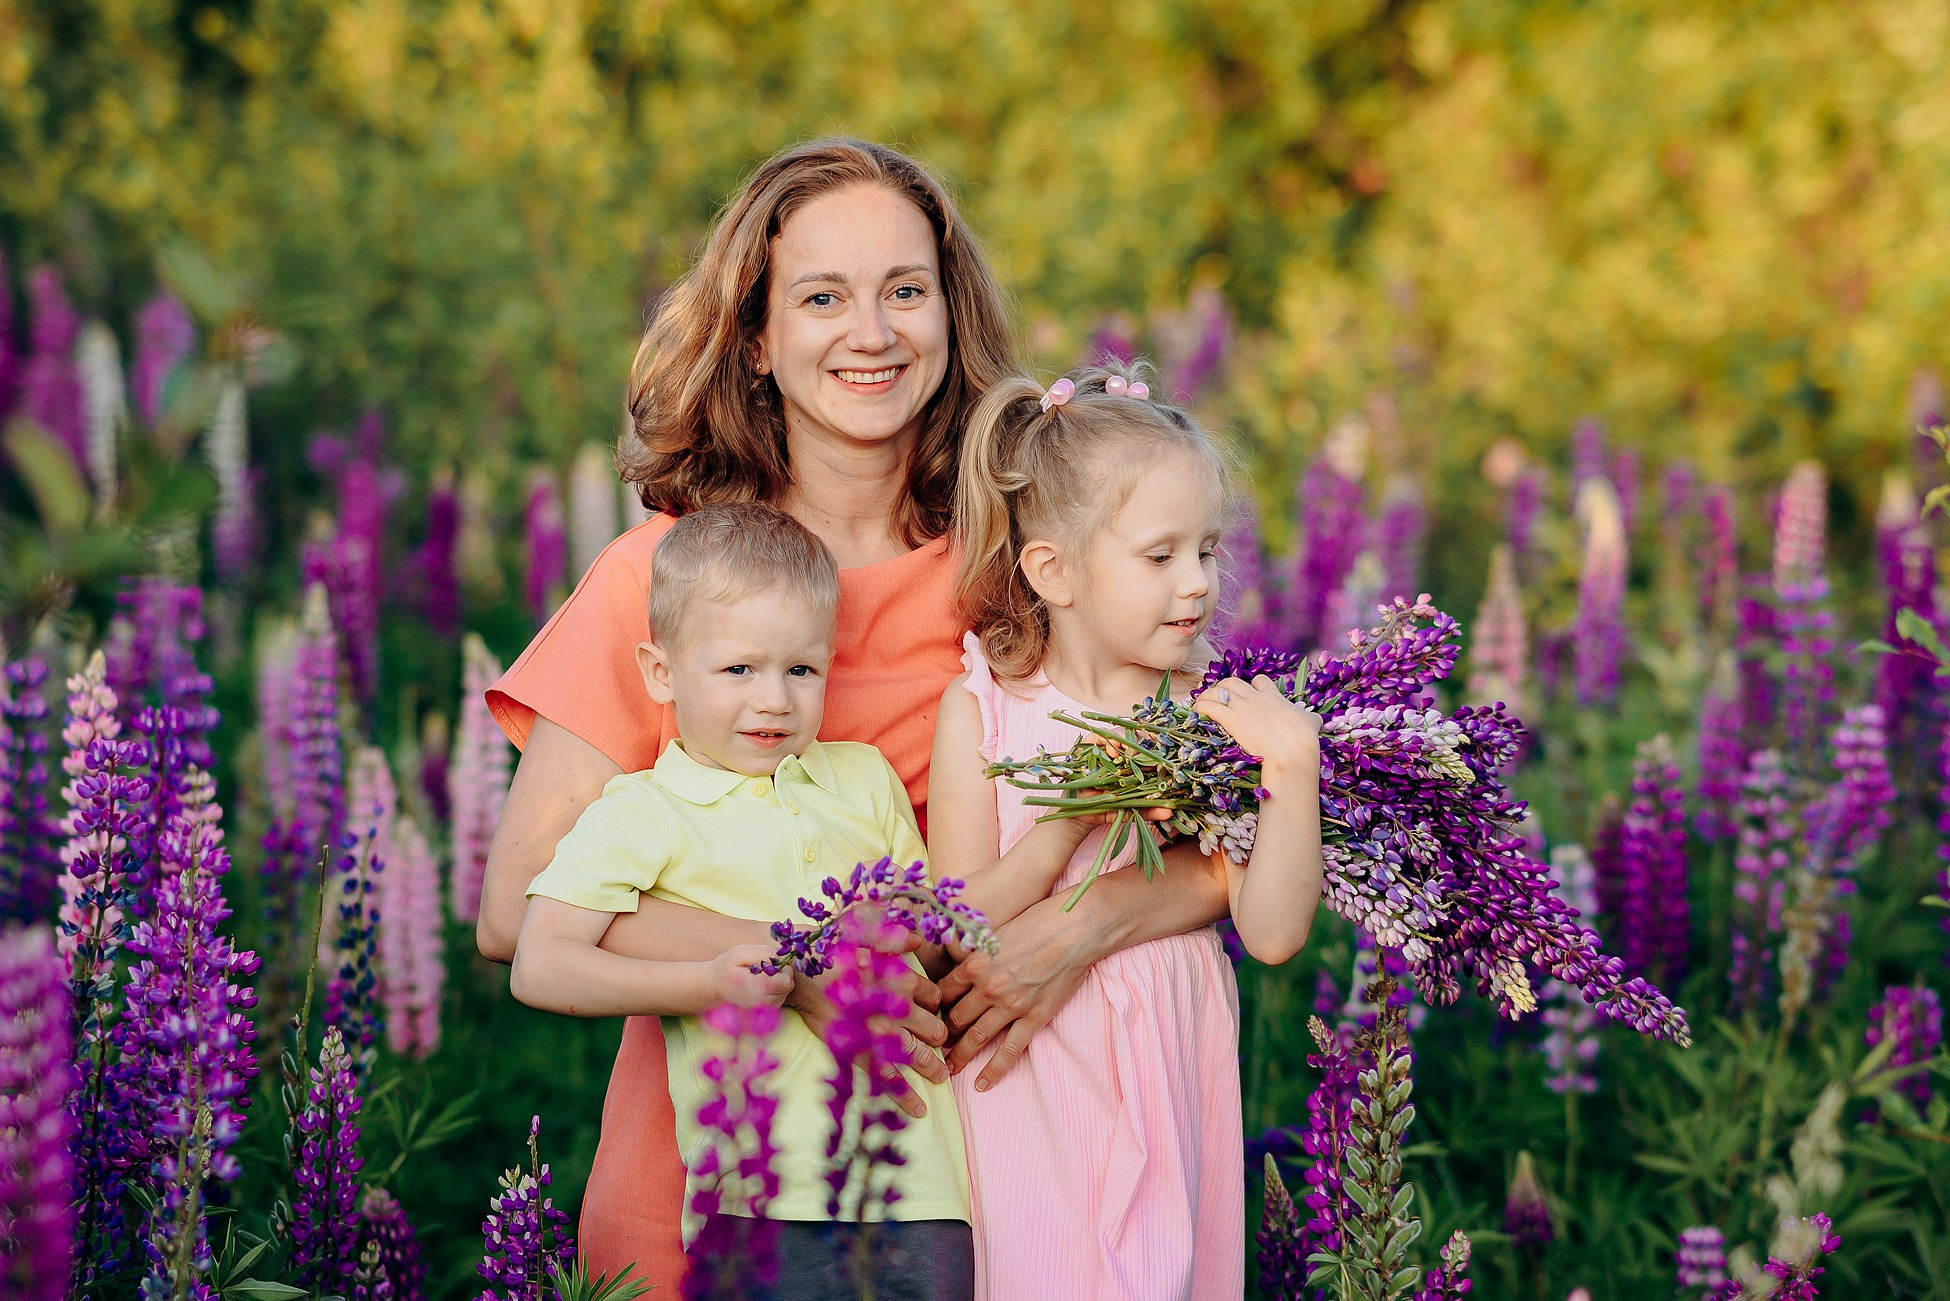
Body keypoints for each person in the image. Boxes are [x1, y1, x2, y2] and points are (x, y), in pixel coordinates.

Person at [477, 138, 1231, 1292]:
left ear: (950, 314)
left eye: (905, 292)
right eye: (822, 297)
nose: (871, 333)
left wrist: (1079, 929)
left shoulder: (1024, 570)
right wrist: (801, 963)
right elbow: (512, 907)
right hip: (712, 1181)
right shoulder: (667, 579)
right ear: (758, 338)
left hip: (982, 1183)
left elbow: (1226, 840)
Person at [928, 365, 1326, 1299]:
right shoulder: (984, 712)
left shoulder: (1217, 718)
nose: (1197, 585)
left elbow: (1271, 931)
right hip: (1025, 1082)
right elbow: (955, 922)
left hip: (1169, 1068)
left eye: (1208, 551)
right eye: (1160, 556)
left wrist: (1292, 771)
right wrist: (1065, 827)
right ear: (1053, 571)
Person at [511, 503, 974, 1297]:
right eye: (738, 670)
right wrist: (703, 982)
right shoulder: (642, 809)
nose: (774, 700)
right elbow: (539, 961)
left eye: (802, 670)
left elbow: (932, 931)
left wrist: (894, 935)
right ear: (661, 672)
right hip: (760, 1198)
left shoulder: (863, 778)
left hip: (920, 1186)